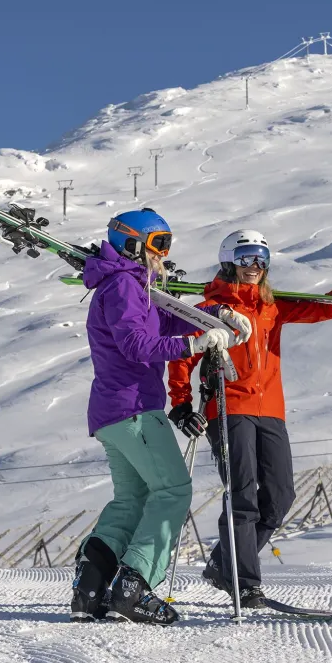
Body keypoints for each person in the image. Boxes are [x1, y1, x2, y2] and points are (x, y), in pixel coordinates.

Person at [167, 229, 332, 608]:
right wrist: (181, 403)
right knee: (243, 497)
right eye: (247, 257)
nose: (255, 266)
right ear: (229, 260)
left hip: (271, 412)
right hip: (229, 409)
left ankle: (223, 563)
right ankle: (245, 583)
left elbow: (318, 307)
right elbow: (182, 357)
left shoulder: (272, 307)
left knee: (280, 498)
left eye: (261, 259)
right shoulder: (212, 309)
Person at [71, 208, 250, 625]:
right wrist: (196, 344)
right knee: (172, 491)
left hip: (113, 413)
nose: (164, 254)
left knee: (132, 498)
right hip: (134, 410)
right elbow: (138, 344)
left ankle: (91, 586)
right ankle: (133, 585)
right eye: (158, 244)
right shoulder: (123, 286)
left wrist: (214, 312)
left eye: (167, 244)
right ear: (132, 244)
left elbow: (165, 318)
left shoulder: (128, 285)